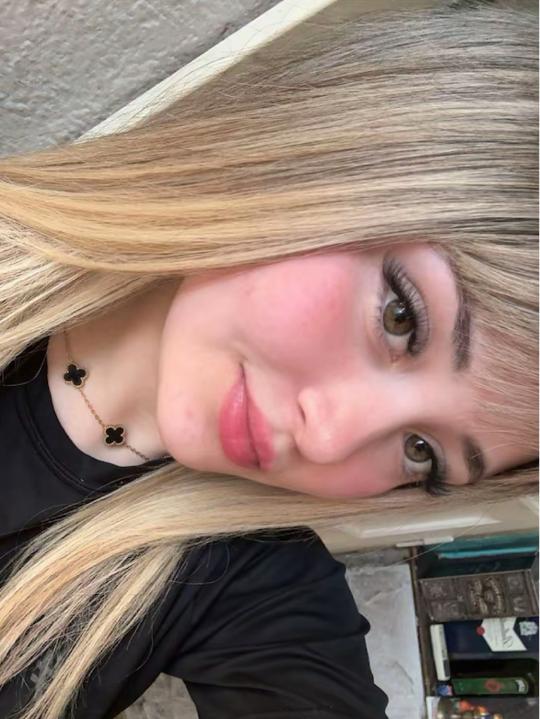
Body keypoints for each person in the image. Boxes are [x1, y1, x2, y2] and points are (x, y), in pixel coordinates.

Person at [0, 2, 537, 718]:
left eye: (422, 452)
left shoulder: (251, 584)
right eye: (401, 316)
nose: (331, 439)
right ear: (330, 153)